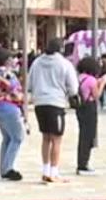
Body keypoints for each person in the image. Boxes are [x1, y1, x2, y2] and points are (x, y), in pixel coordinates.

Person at [28, 37, 79, 183]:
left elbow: (29, 84)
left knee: (45, 138)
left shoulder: (37, 62)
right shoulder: (64, 64)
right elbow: (73, 88)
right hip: (56, 103)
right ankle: (54, 172)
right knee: (57, 139)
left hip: (40, 103)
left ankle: (45, 170)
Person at [0, 48, 26, 181]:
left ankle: (3, 168)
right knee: (17, 137)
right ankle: (8, 168)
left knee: (8, 138)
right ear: (7, 60)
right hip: (8, 108)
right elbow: (14, 90)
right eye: (12, 58)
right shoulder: (6, 73)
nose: (14, 60)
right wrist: (22, 98)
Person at [75, 56, 106, 176]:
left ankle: (81, 162)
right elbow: (96, 95)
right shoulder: (91, 80)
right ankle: (83, 164)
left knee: (82, 135)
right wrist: (103, 84)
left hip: (80, 108)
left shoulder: (79, 78)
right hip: (89, 108)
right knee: (89, 136)